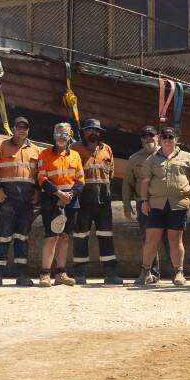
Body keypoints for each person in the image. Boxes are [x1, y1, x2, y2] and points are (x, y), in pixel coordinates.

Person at [136, 127, 190, 286]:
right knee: (151, 239)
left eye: (170, 137)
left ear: (176, 139)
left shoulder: (186, 156)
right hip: (156, 205)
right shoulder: (152, 159)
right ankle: (145, 271)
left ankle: (178, 272)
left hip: (178, 204)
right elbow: (144, 181)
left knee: (175, 239)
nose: (167, 139)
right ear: (160, 139)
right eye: (164, 137)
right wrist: (144, 202)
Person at [0, 116, 43, 287]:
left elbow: (41, 175)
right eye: (18, 127)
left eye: (24, 128)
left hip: (26, 201)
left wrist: (38, 192)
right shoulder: (1, 147)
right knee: (3, 237)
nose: (21, 130)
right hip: (7, 200)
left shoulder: (36, 151)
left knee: (22, 238)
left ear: (28, 131)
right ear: (13, 129)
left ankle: (22, 275)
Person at [71, 118, 122, 285]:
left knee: (106, 235)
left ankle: (110, 273)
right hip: (82, 199)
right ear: (83, 132)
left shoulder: (107, 149)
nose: (94, 133)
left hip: (103, 200)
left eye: (97, 131)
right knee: (80, 235)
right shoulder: (74, 149)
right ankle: (79, 273)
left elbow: (111, 174)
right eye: (90, 130)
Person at [36, 123, 83, 287]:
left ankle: (61, 273)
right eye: (59, 133)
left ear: (69, 135)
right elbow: (42, 179)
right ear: (54, 135)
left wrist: (71, 195)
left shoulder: (75, 155)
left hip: (71, 200)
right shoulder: (44, 154)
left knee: (64, 237)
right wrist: (59, 194)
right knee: (51, 237)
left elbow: (80, 179)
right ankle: (45, 274)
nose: (62, 136)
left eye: (65, 134)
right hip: (52, 200)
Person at [121, 125, 162, 283]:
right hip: (142, 203)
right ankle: (152, 272)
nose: (148, 138)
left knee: (168, 238)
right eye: (144, 136)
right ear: (141, 139)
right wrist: (126, 203)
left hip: (163, 202)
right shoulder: (134, 159)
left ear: (157, 136)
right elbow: (127, 183)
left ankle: (175, 272)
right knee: (147, 238)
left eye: (151, 135)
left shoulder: (166, 154)